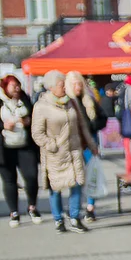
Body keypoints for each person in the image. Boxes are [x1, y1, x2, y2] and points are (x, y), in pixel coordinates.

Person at [31, 70, 96, 234]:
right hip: (55, 154)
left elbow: (82, 126)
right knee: (56, 187)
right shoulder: (42, 106)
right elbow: (37, 133)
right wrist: (51, 145)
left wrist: (92, 144)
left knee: (76, 185)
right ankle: (58, 219)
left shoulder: (71, 102)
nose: (64, 88)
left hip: (74, 152)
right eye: (61, 85)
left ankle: (75, 217)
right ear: (51, 87)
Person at [1, 75, 42, 226]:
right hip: (5, 148)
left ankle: (32, 206)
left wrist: (28, 121)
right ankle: (14, 212)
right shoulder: (1, 101)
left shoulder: (24, 98)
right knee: (9, 180)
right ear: (5, 87)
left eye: (18, 85)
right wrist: (3, 126)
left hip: (25, 146)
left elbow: (33, 115)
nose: (17, 88)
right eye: (13, 86)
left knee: (31, 176)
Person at [66, 72, 108, 222]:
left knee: (91, 175)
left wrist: (92, 126)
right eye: (74, 84)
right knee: (76, 177)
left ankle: (90, 207)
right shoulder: (66, 102)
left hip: (90, 142)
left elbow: (103, 118)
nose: (78, 87)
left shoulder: (88, 99)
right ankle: (74, 207)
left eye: (79, 84)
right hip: (74, 144)